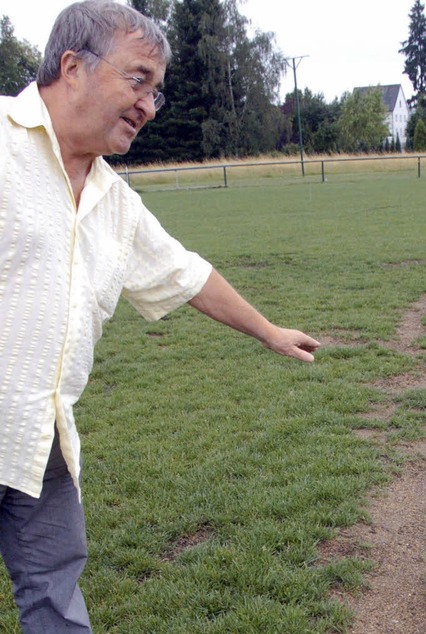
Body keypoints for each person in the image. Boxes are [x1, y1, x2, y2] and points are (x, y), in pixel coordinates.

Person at [0, 1, 321, 632]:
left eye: (158, 91)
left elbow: (186, 272)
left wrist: (269, 331)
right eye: (138, 80)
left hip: (40, 437)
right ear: (72, 67)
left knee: (55, 596)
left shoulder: (112, 199)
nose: (148, 105)